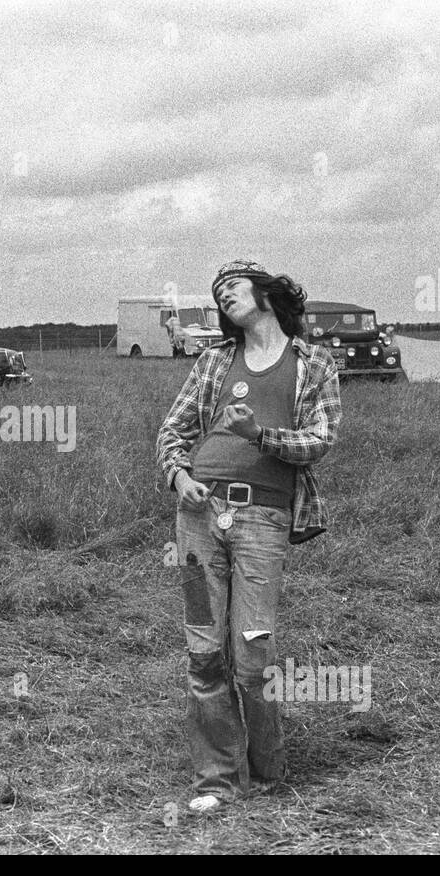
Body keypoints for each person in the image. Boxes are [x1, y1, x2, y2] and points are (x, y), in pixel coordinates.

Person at [156, 259, 342, 813]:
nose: (223, 296)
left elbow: (320, 439)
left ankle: (266, 770)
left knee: (253, 655)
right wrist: (180, 475)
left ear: (264, 293)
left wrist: (258, 434)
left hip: (264, 520)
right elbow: (174, 429)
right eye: (218, 293)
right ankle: (216, 780)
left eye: (232, 286)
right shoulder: (215, 360)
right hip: (198, 519)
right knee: (203, 653)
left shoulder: (313, 362)